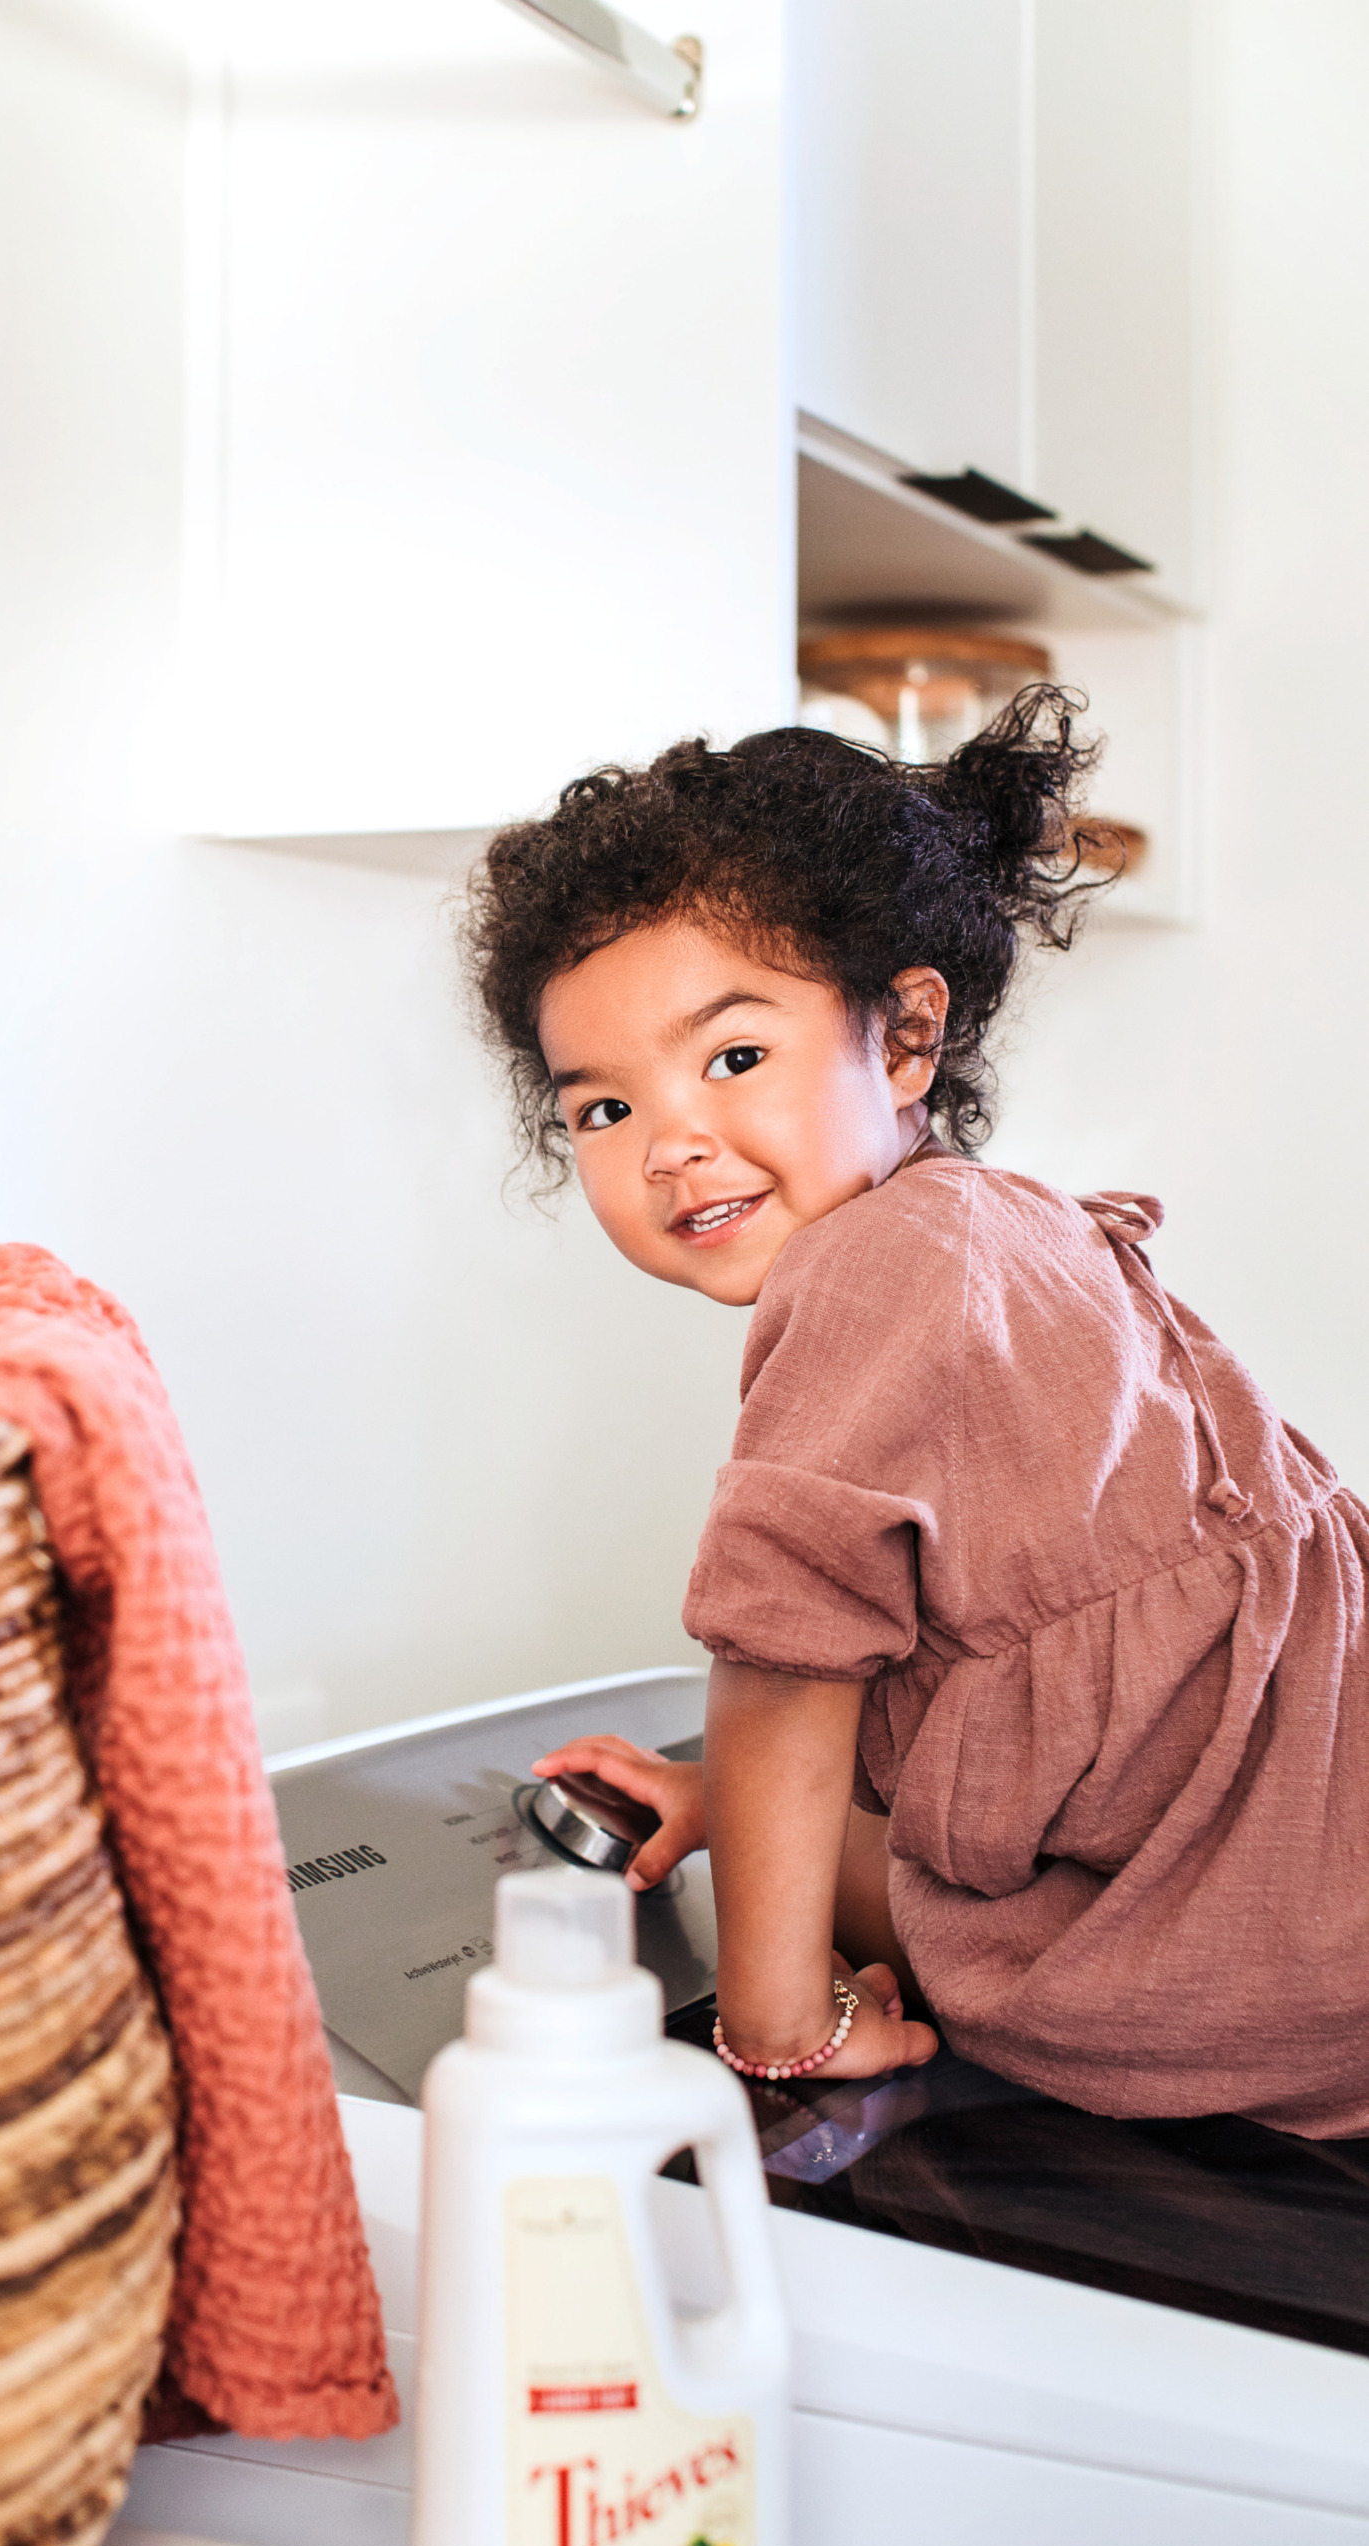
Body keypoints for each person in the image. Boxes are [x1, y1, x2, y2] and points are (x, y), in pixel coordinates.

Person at [461, 689, 1369, 2138]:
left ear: (902, 1039)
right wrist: (730, 1804)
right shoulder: (987, 1231)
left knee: (990, 1949)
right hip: (1305, 1891)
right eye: (602, 1110)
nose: (671, 1145)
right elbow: (1022, 1722)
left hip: (1249, 1945)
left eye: (733, 1058)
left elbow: (781, 1664)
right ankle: (752, 1832)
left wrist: (781, 2024)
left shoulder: (875, 1266)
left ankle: (765, 1857)